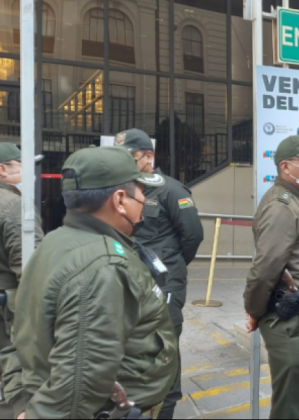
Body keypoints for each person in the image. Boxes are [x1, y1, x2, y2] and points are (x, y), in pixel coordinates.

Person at [0, 146, 179, 419]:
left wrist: (23, 401)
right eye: (141, 191)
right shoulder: (104, 267)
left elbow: (20, 333)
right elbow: (80, 379)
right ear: (120, 200)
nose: (144, 199)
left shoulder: (56, 241)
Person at [114, 128, 204, 419]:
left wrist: (172, 267)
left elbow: (192, 236)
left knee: (163, 350)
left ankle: (165, 407)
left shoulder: (171, 190)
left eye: (128, 156)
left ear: (148, 156)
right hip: (128, 282)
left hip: (164, 283)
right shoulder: (119, 191)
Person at [244, 135, 299, 419]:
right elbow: (266, 267)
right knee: (291, 408)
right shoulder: (281, 205)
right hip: (288, 318)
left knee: (295, 400)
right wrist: (254, 310)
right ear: (285, 167)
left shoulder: (296, 199)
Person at [0, 144, 43, 348]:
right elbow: (31, 270)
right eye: (23, 165)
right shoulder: (15, 206)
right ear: (2, 170)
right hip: (7, 316)